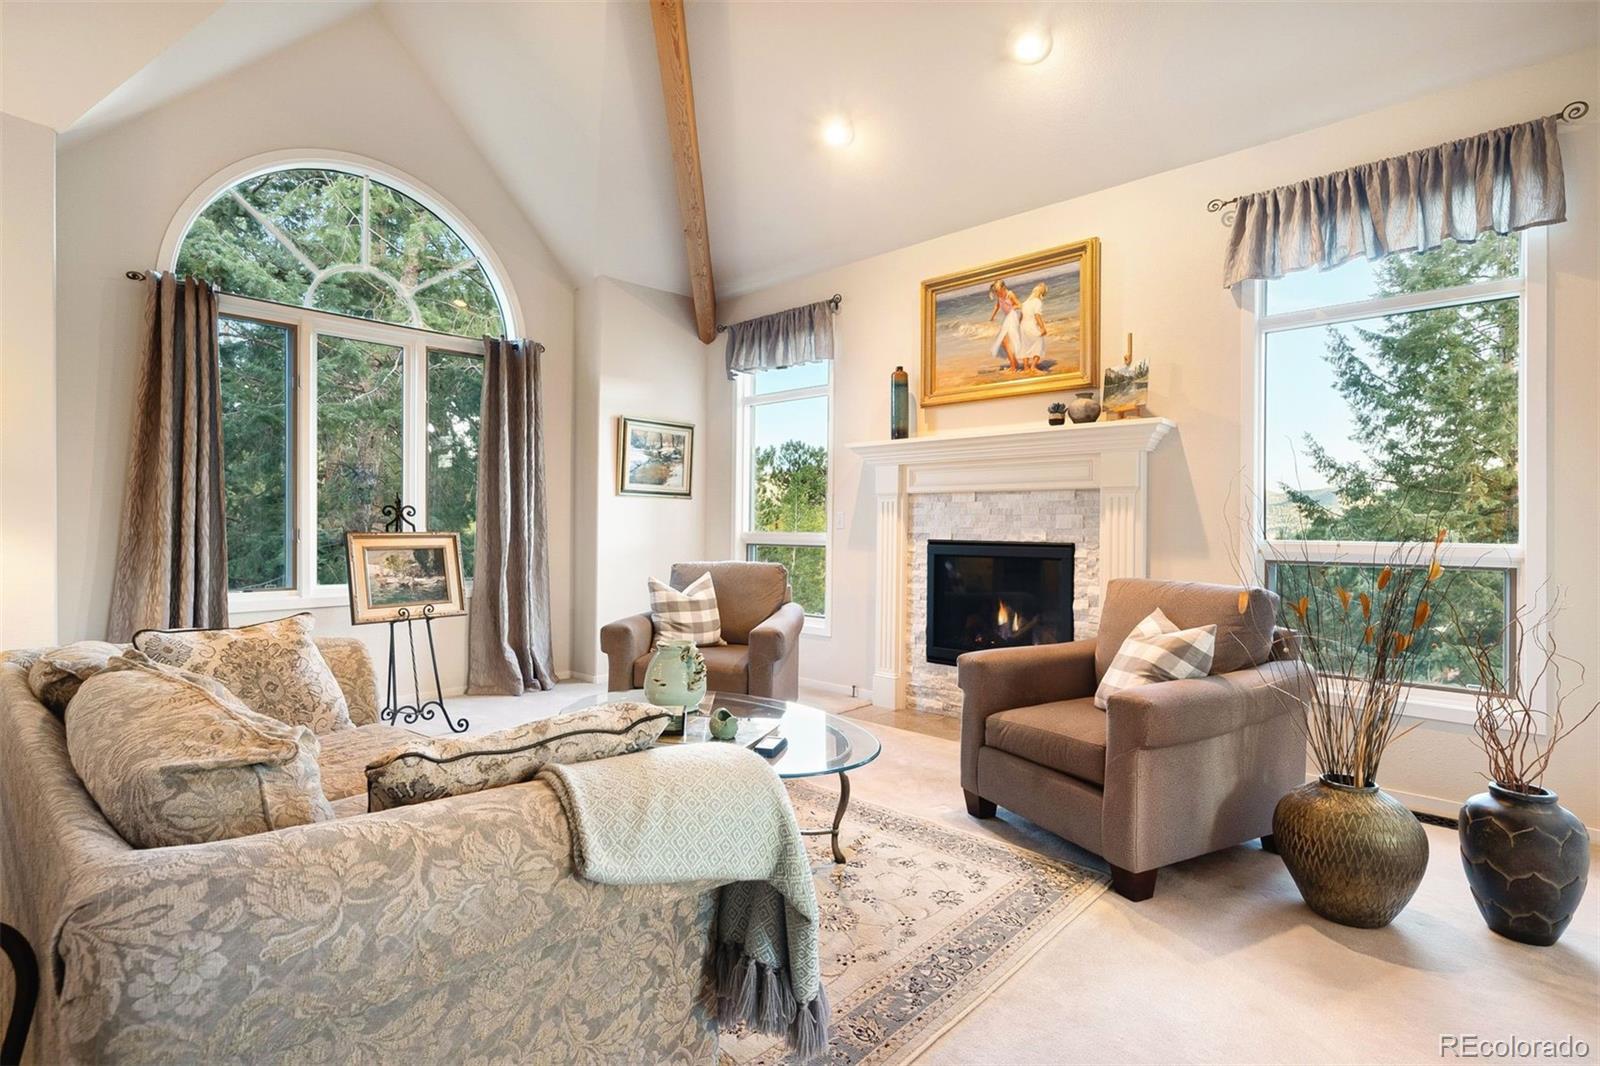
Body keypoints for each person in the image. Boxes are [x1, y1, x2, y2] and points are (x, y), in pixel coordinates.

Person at [988, 280, 1022, 371]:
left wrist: (1012, 308)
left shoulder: (1010, 294)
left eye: (998, 291)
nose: (997, 293)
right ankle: (1015, 363)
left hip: (1013, 317)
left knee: (1005, 341)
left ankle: (1013, 367)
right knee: (1005, 342)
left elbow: (1019, 305)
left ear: (1003, 288)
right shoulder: (999, 295)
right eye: (996, 291)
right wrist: (992, 317)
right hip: (1008, 318)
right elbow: (997, 306)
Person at [1019, 282, 1049, 370]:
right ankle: (1033, 366)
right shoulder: (1037, 302)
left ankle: (1025, 367)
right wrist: (1043, 328)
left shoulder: (1025, 303)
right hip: (1031, 325)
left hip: (1023, 326)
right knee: (1039, 343)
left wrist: (1019, 327)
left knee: (1025, 346)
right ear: (1041, 294)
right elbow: (1037, 316)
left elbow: (1021, 316)